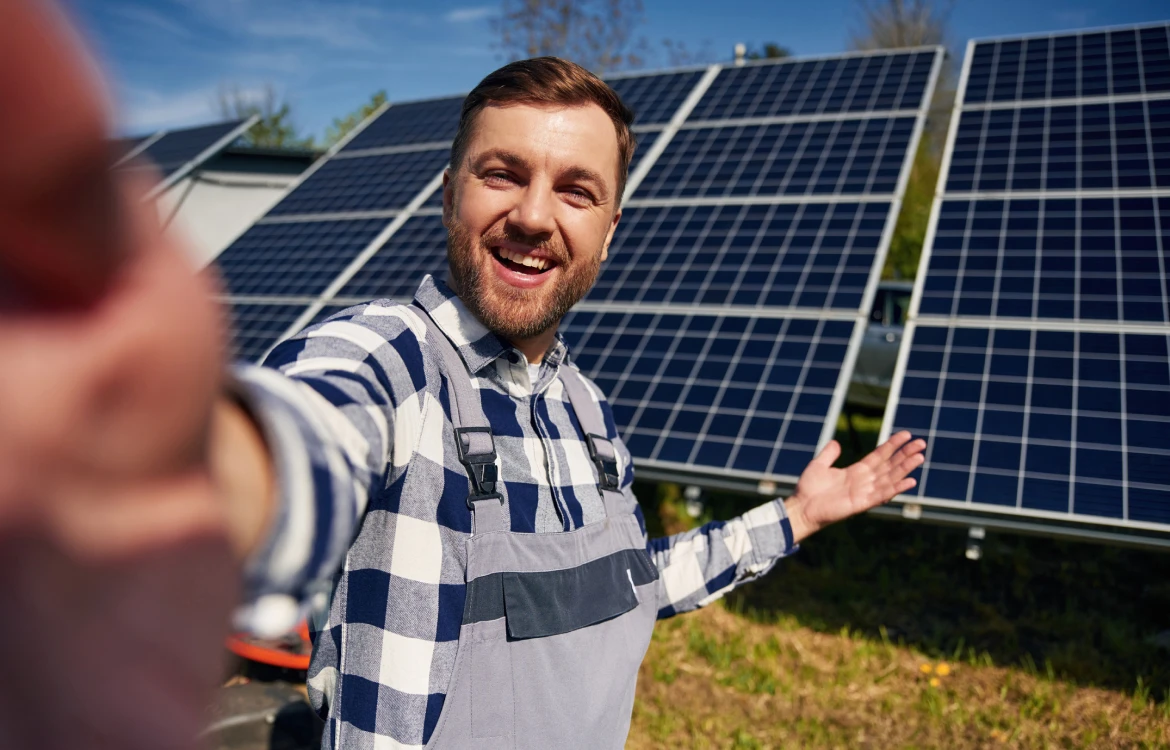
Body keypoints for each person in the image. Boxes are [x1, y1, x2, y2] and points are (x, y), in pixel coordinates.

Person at [0, 3, 926, 748]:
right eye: (501, 173)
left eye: (575, 189)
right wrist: (173, 460)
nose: (532, 214)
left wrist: (798, 517)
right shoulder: (388, 363)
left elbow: (639, 583)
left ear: (610, 229)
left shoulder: (588, 415)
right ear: (448, 191)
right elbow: (307, 433)